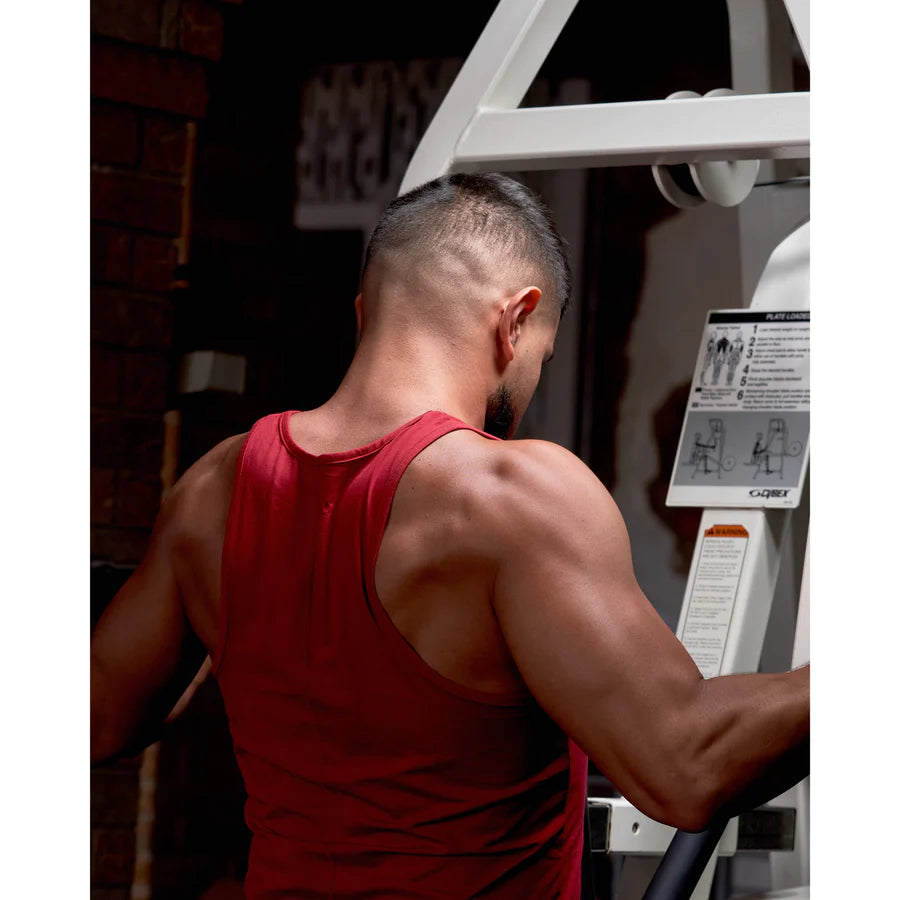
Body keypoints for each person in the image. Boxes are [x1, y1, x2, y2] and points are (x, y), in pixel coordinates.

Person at [91, 173, 809, 899]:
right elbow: (686, 764)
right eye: (543, 358)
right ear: (517, 321)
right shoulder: (507, 498)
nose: (528, 391)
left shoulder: (211, 493)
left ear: (367, 312)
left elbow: (94, 720)